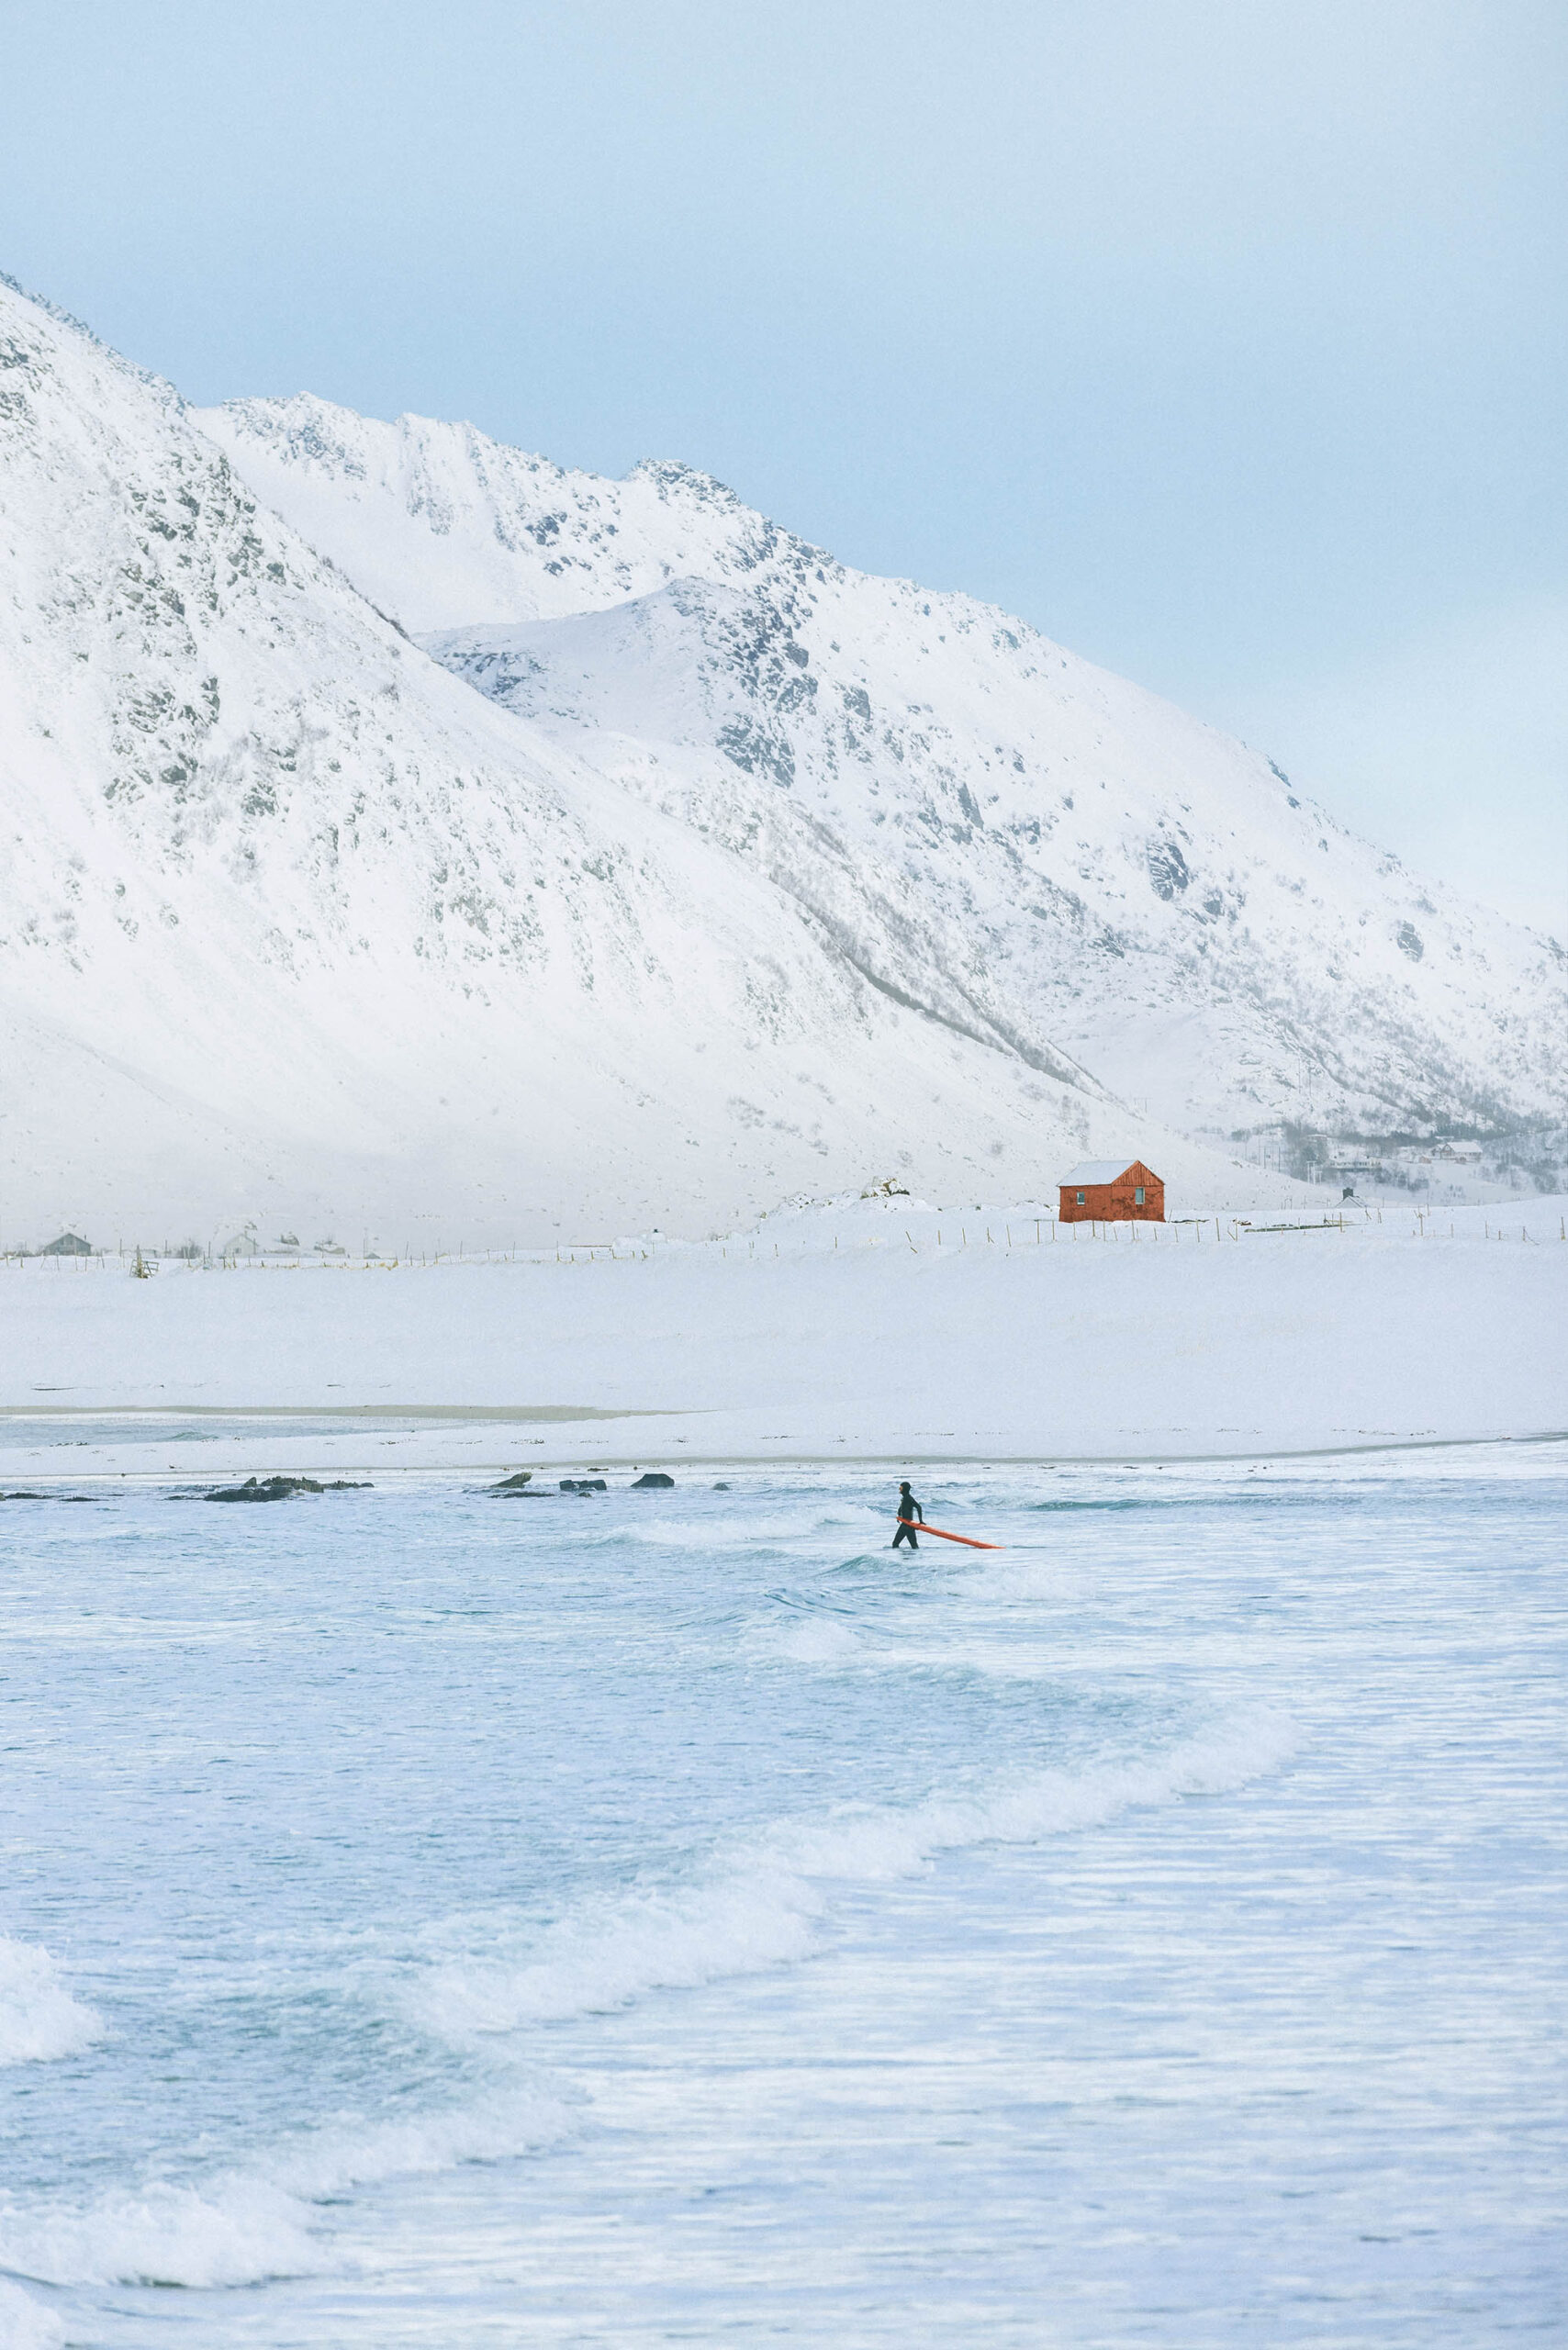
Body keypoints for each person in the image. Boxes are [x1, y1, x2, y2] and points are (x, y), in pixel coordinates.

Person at [892, 1481, 924, 1550]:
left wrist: (921, 1521)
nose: (899, 1489)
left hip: (906, 1525)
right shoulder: (905, 1498)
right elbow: (901, 1509)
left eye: (900, 1488)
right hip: (908, 1525)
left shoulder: (908, 1498)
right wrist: (899, 1516)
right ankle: (911, 1557)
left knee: (895, 1544)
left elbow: (919, 1507)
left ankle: (904, 1558)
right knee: (914, 1546)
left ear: (904, 1489)